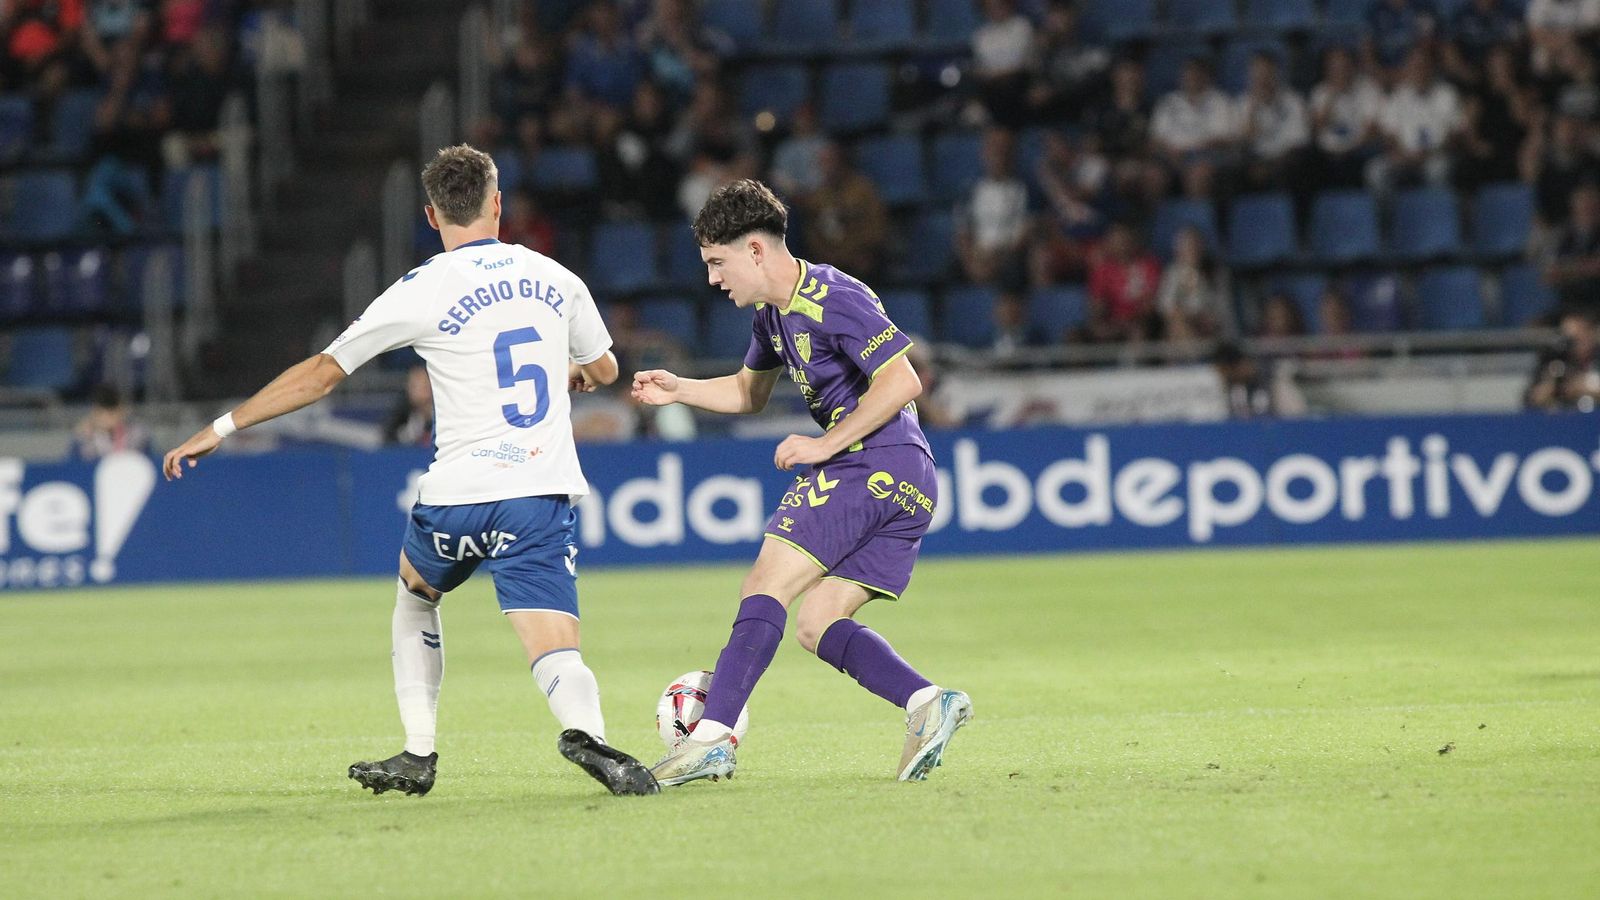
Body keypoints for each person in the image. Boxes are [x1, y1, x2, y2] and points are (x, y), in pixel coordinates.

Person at [161, 145, 658, 798]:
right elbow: (606, 370)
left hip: (455, 496)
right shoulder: (556, 278)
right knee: (554, 645)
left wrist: (222, 426)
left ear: (431, 215)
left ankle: (419, 750)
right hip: (535, 492)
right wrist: (571, 371)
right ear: (498, 203)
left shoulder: (422, 287)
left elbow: (322, 374)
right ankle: (585, 732)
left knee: (416, 594)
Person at [631, 179, 971, 785]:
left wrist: (825, 445)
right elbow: (747, 393)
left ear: (755, 249)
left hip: (871, 462)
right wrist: (679, 388)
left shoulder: (833, 295)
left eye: (717, 262)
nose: (712, 279)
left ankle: (710, 739)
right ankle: (927, 702)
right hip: (909, 478)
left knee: (765, 583)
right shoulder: (772, 317)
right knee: (816, 623)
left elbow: (903, 381)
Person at [1524, 310, 1600, 411]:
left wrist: (1585, 388)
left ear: (1590, 333)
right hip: (1566, 416)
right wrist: (1550, 386)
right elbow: (1530, 400)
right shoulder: (1554, 360)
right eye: (1568, 339)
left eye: (1578, 337)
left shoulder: (1597, 357)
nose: (1572, 344)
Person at [69, 383, 150, 461]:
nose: (107, 419)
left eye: (112, 414)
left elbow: (149, 460)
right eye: (102, 414)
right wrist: (84, 439)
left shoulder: (137, 434)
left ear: (121, 411)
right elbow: (74, 465)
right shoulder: (83, 437)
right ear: (94, 413)